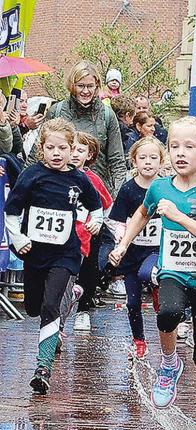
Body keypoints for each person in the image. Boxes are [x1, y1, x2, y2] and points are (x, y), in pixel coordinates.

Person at [109, 116, 196, 430]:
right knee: (168, 313)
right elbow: (141, 214)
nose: (180, 153)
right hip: (174, 271)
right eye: (174, 146)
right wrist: (123, 244)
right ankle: (169, 364)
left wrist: (179, 217)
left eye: (189, 146)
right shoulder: (160, 187)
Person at [4, 118, 103, 394]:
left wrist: (95, 222)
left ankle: (43, 368)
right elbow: (11, 211)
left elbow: (96, 208)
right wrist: (19, 238)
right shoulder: (31, 175)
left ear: (72, 150)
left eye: (62, 148)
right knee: (35, 306)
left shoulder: (78, 178)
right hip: (35, 252)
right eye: (51, 148)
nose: (57, 154)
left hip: (65, 253)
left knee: (50, 306)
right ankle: (70, 297)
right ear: (41, 149)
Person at [100, 137, 166, 360]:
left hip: (157, 249)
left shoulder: (166, 187)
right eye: (143, 158)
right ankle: (139, 341)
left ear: (161, 161)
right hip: (132, 250)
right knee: (132, 300)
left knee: (147, 273)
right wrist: (122, 239)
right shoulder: (128, 189)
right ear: (134, 161)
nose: (148, 162)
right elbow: (116, 219)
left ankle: (157, 289)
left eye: (153, 158)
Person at [39, 61, 127, 193]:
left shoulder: (107, 115)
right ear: (72, 86)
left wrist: (118, 196)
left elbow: (117, 161)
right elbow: (38, 153)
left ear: (96, 86)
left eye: (90, 86)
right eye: (81, 86)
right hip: (58, 189)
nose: (86, 91)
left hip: (98, 189)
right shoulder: (56, 111)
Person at [67, 131, 113, 334]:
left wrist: (98, 221)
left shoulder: (93, 180)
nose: (75, 154)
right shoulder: (55, 175)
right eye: (73, 148)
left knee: (89, 271)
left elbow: (108, 207)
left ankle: (83, 310)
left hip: (87, 234)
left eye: (81, 150)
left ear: (90, 154)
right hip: (63, 235)